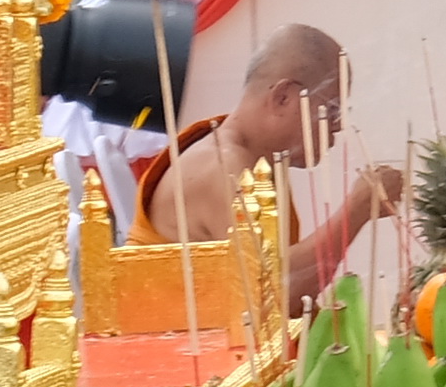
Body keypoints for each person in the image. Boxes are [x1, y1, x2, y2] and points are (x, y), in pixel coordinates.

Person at [145, 23, 399, 312]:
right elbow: (275, 291)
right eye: (331, 110)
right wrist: (358, 209)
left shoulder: (261, 160)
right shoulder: (223, 166)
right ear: (283, 97)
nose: (339, 126)